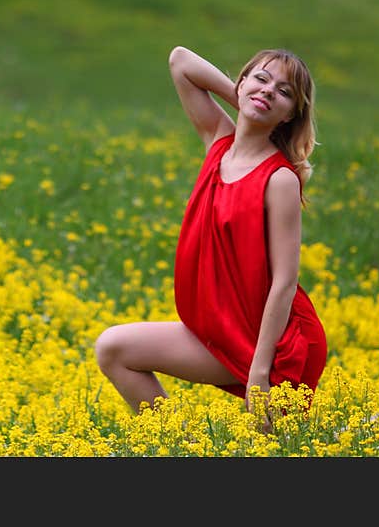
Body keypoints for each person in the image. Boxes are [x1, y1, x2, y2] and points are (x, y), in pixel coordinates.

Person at [94, 45, 327, 423]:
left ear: (289, 116)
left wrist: (259, 371)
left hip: (277, 342)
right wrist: (243, 97)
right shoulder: (218, 142)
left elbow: (285, 281)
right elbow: (180, 60)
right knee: (113, 349)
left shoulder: (279, 179)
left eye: (283, 92)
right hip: (221, 329)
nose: (268, 91)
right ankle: (184, 448)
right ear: (241, 84)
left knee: (283, 447)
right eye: (261, 79)